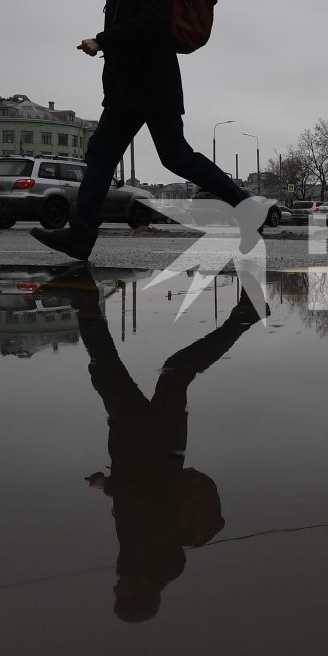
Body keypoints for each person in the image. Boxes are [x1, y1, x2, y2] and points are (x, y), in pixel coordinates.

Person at [33, 0, 272, 261]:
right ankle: (81, 237)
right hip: (134, 80)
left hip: (145, 81)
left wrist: (103, 40)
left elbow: (154, 21)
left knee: (168, 157)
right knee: (115, 155)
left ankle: (245, 205)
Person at [53, 266, 261, 622]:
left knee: (151, 372)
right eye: (122, 597)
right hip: (155, 447)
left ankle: (85, 300)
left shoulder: (142, 563)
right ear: (140, 595)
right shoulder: (155, 559)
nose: (116, 589)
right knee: (157, 372)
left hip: (141, 445)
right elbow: (153, 498)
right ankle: (85, 301)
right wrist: (110, 485)